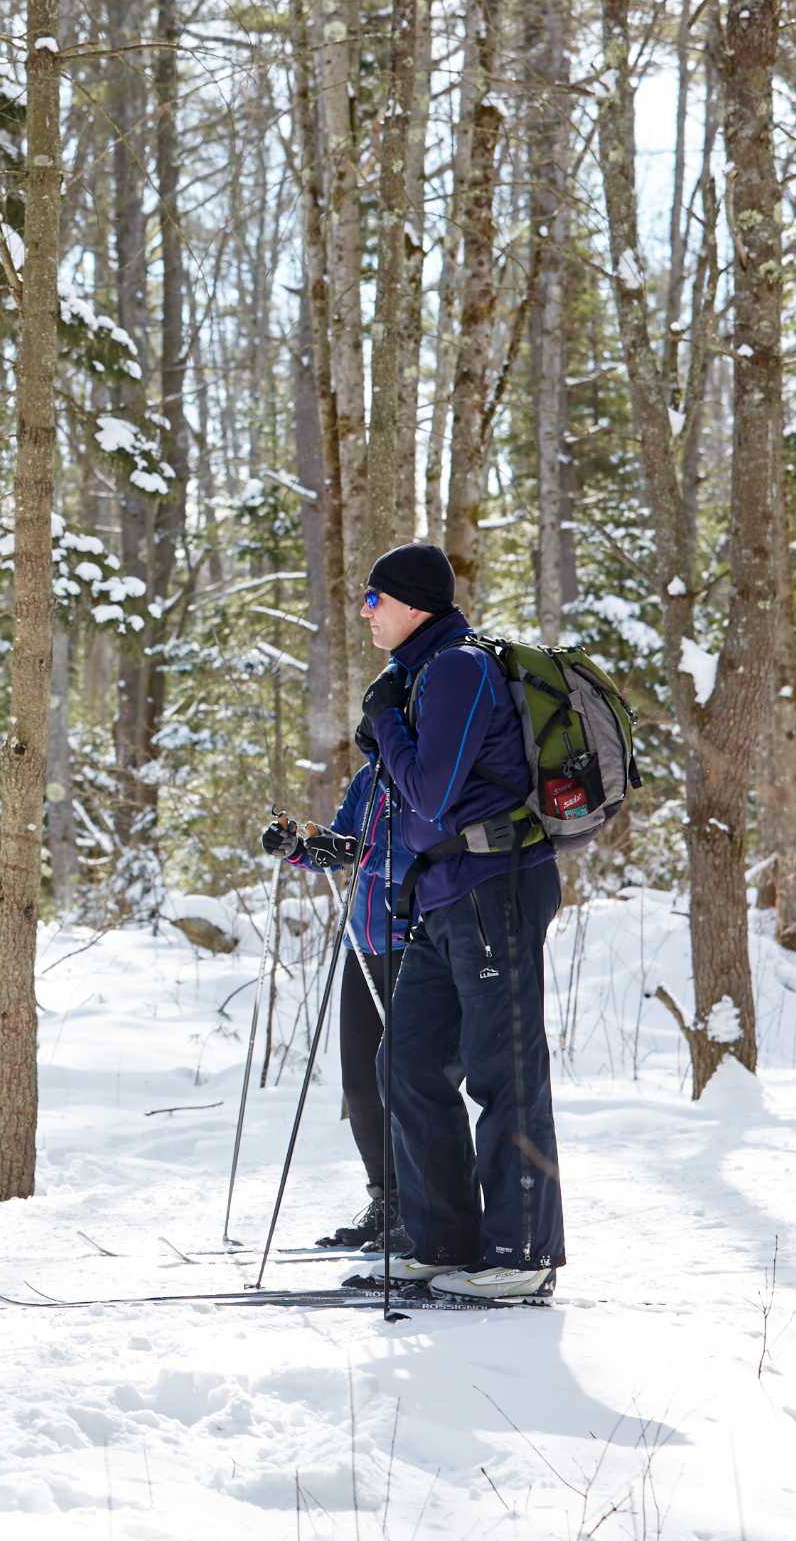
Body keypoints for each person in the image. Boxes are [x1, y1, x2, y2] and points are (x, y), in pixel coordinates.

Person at [357, 542, 565, 1300]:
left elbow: (433, 793)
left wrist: (386, 728)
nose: (365, 611)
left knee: (502, 1069)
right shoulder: (417, 676)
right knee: (407, 1061)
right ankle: (445, 1241)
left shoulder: (457, 669)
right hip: (445, 894)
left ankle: (520, 1253)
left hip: (494, 886)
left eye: (374, 599)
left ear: (414, 605)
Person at [259, 745, 412, 1250]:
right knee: (360, 1084)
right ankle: (387, 1200)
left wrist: (357, 852)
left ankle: (424, 1205)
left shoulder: (425, 777)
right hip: (363, 944)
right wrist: (299, 848)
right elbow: (341, 844)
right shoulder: (368, 779)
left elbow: (422, 851)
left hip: (415, 944)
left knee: (409, 1082)